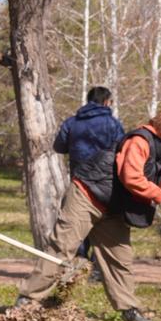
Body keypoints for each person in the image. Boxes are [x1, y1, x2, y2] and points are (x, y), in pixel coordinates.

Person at [15, 109, 161, 321]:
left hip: (113, 206)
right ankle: (27, 298)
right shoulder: (139, 141)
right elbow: (132, 177)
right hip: (87, 194)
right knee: (62, 246)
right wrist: (158, 195)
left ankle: (129, 309)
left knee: (120, 258)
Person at [54, 87, 126, 276]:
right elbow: (122, 150)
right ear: (106, 102)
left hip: (79, 181)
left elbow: (59, 146)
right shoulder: (113, 124)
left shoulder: (72, 122)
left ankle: (78, 265)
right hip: (106, 183)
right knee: (104, 224)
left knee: (76, 225)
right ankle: (98, 268)